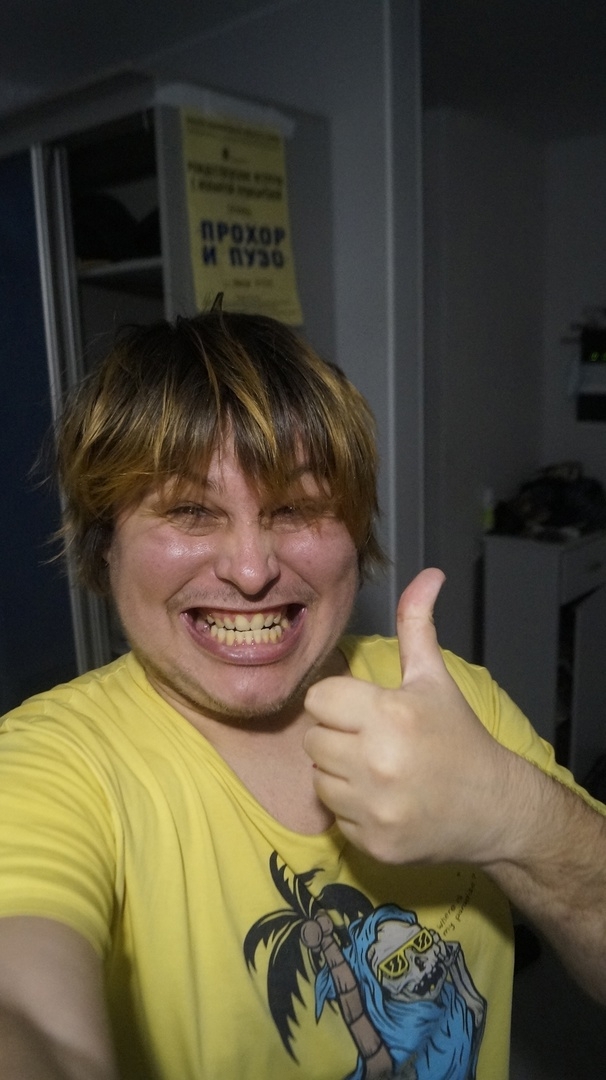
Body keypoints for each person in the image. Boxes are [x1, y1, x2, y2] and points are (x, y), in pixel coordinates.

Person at [0, 307, 604, 1080]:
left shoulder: (451, 704)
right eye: (190, 511)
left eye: (296, 508)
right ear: (104, 542)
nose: (252, 570)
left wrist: (515, 816)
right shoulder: (54, 768)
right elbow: (27, 1013)